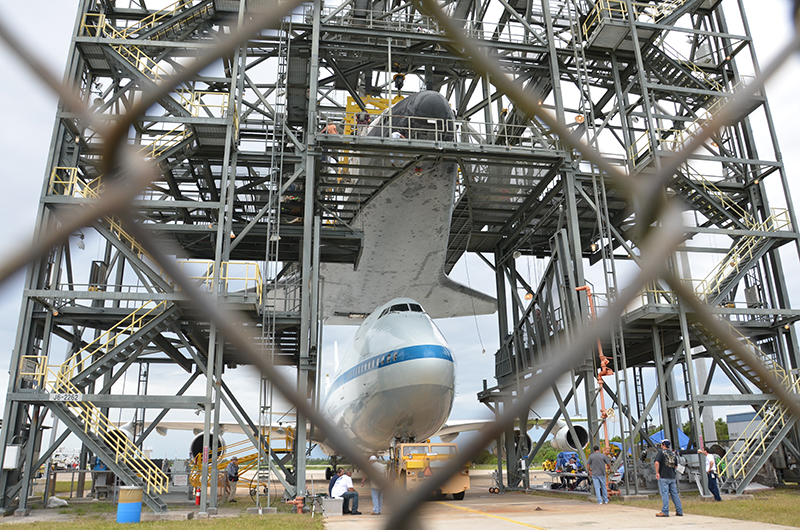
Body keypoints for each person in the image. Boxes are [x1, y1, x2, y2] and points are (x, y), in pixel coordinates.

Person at [654, 440, 683, 517]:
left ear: (663, 445)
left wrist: (657, 472)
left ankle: (665, 511)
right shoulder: (673, 453)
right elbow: (676, 466)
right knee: (674, 494)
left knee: (665, 494)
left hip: (663, 476)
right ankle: (679, 510)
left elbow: (657, 463)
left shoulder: (661, 452)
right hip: (672, 476)